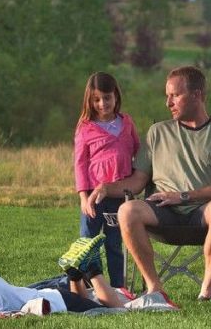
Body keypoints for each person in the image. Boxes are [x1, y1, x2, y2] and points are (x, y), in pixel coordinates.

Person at [87, 66, 211, 301]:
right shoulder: (157, 132)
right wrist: (106, 187)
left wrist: (182, 196)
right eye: (167, 96)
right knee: (127, 210)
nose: (168, 102)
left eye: (175, 95)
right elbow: (138, 181)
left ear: (197, 95)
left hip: (203, 214)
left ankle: (207, 290)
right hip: (162, 213)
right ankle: (155, 289)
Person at [0, 236, 128, 314]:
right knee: (87, 302)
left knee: (113, 311)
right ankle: (74, 274)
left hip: (58, 301)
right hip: (57, 296)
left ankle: (92, 270)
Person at [75, 71, 140, 288]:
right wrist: (84, 198)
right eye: (97, 99)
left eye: (107, 98)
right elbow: (80, 164)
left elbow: (138, 153)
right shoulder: (85, 128)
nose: (102, 104)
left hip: (119, 196)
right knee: (89, 243)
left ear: (116, 96)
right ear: (90, 101)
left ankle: (118, 288)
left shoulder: (127, 123)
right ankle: (89, 286)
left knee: (115, 243)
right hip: (94, 197)